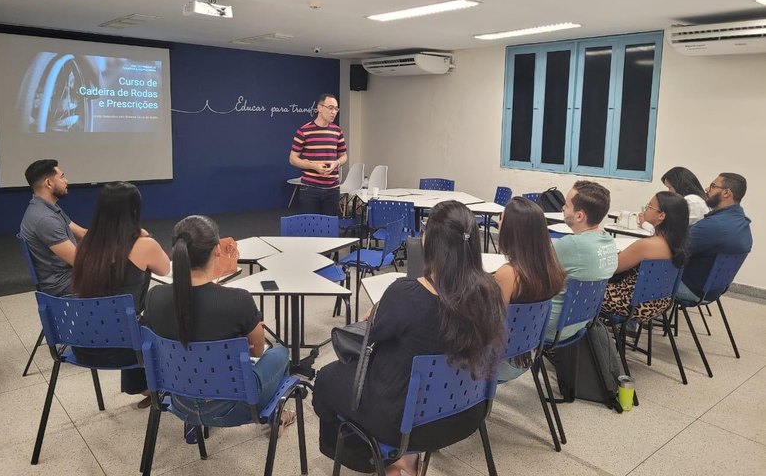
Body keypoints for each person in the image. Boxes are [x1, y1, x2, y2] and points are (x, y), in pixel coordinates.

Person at [312, 201, 506, 475]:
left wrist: (378, 311)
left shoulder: (407, 294)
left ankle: (378, 458)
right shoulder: (491, 293)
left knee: (326, 379)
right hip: (467, 412)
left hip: (404, 421)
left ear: (432, 244)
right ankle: (405, 457)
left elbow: (373, 334)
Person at [142, 216, 294, 430]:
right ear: (216, 249)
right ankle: (278, 416)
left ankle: (194, 424)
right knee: (280, 353)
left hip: (179, 402)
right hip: (234, 408)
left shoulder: (154, 297)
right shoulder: (238, 300)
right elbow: (258, 351)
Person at [71, 182, 170, 407]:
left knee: (130, 319)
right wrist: (144, 235)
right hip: (123, 349)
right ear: (135, 210)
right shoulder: (143, 244)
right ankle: (171, 385)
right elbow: (165, 269)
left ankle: (144, 386)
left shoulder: (85, 244)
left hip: (82, 344)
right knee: (166, 308)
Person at [494, 197, 566, 381]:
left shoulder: (508, 274)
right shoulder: (550, 268)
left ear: (512, 230)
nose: (498, 222)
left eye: (501, 219)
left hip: (501, 362)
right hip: (528, 353)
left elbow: (491, 322)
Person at [546, 181, 618, 342]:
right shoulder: (608, 242)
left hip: (551, 326)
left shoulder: (572, 244)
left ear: (579, 216)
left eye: (566, 204)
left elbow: (536, 274)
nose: (562, 208)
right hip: (581, 322)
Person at [601, 191, 688, 322]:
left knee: (581, 289)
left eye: (649, 207)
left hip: (630, 303)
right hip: (658, 302)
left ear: (662, 216)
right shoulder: (677, 245)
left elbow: (612, 268)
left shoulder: (646, 245)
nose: (645, 210)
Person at [676, 173, 752, 302]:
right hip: (713, 289)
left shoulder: (715, 225)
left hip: (692, 288)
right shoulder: (741, 221)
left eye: (712, 186)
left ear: (726, 193)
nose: (706, 189)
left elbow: (673, 248)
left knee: (635, 276)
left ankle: (634, 320)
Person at [19, 159, 87, 296]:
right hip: (63, 284)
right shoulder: (45, 219)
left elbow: (82, 233)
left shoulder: (48, 208)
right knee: (126, 272)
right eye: (62, 177)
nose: (66, 181)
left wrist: (120, 239)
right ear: (49, 183)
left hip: (67, 276)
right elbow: (80, 263)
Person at [289, 93, 347, 216]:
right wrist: (314, 166)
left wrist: (336, 163)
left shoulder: (337, 131)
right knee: (308, 228)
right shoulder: (304, 130)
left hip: (332, 189)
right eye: (330, 108)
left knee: (329, 230)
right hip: (310, 188)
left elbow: (344, 156)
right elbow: (293, 159)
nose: (334, 112)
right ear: (319, 108)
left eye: (336, 109)